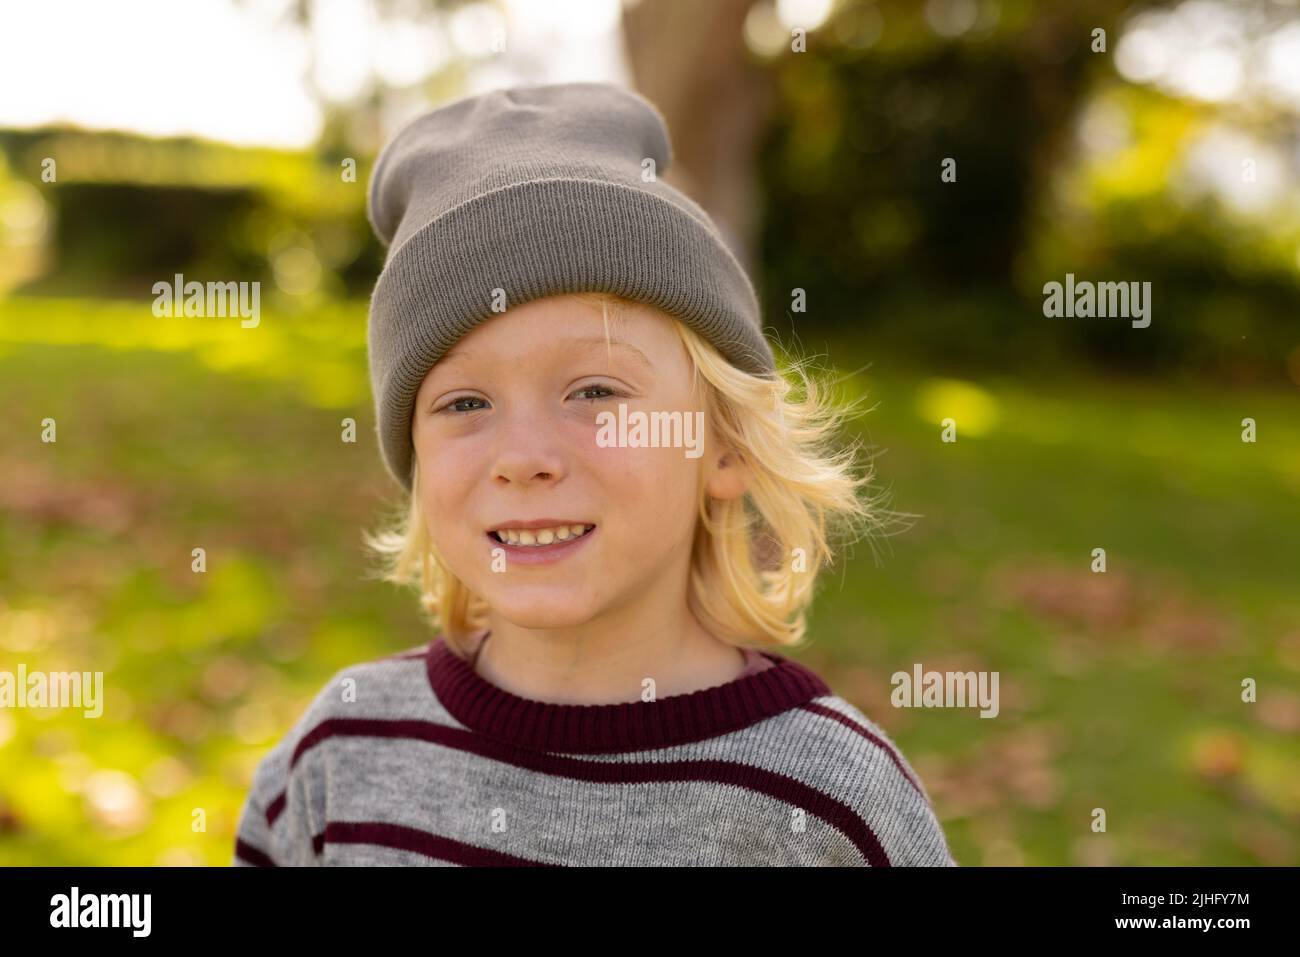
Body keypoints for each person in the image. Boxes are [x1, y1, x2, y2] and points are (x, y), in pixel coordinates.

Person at [232, 81, 954, 866]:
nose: (524, 457)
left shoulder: (831, 810)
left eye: (595, 391)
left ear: (725, 443)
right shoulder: (339, 762)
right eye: (465, 400)